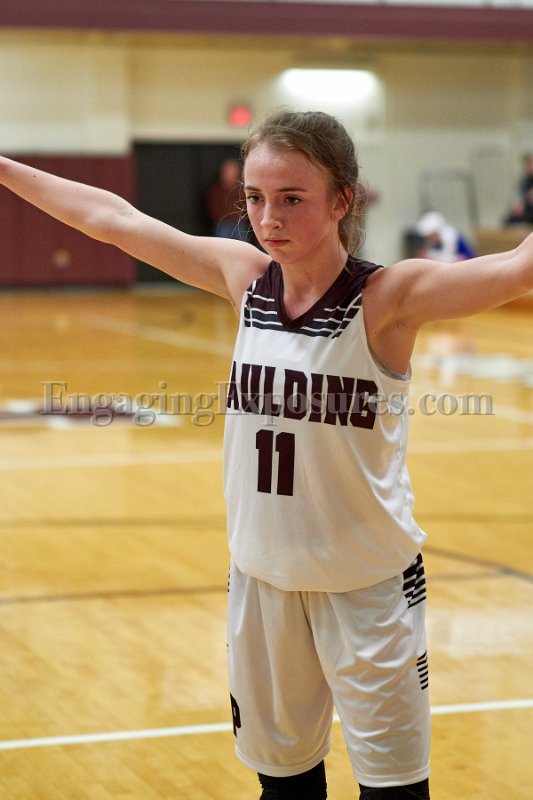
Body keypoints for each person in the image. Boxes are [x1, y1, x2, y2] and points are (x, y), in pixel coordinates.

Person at [1, 109, 532, 800]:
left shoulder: (387, 299)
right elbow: (112, 219)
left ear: (342, 200)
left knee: (395, 792)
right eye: (254, 198)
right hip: (261, 582)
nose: (267, 218)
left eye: (291, 198)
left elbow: (518, 268)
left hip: (367, 588)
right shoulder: (245, 277)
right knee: (283, 788)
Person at [205, 157, 250, 240]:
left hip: (239, 224)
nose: (231, 174)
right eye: (229, 171)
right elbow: (212, 207)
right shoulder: (217, 190)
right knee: (222, 245)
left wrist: (241, 217)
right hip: (223, 224)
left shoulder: (242, 189)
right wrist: (221, 217)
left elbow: (247, 204)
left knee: (242, 245)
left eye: (234, 171)